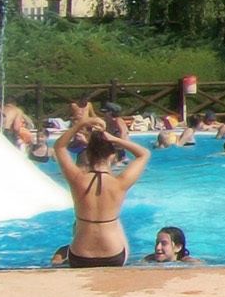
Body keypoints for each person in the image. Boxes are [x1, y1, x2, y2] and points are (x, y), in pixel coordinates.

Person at [46, 105, 150, 267]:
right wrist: (114, 139)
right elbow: (144, 153)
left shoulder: (77, 179)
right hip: (113, 254)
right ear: (112, 155)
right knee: (117, 223)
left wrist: (82, 123)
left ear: (88, 153)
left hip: (80, 254)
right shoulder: (119, 183)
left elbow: (59, 146)